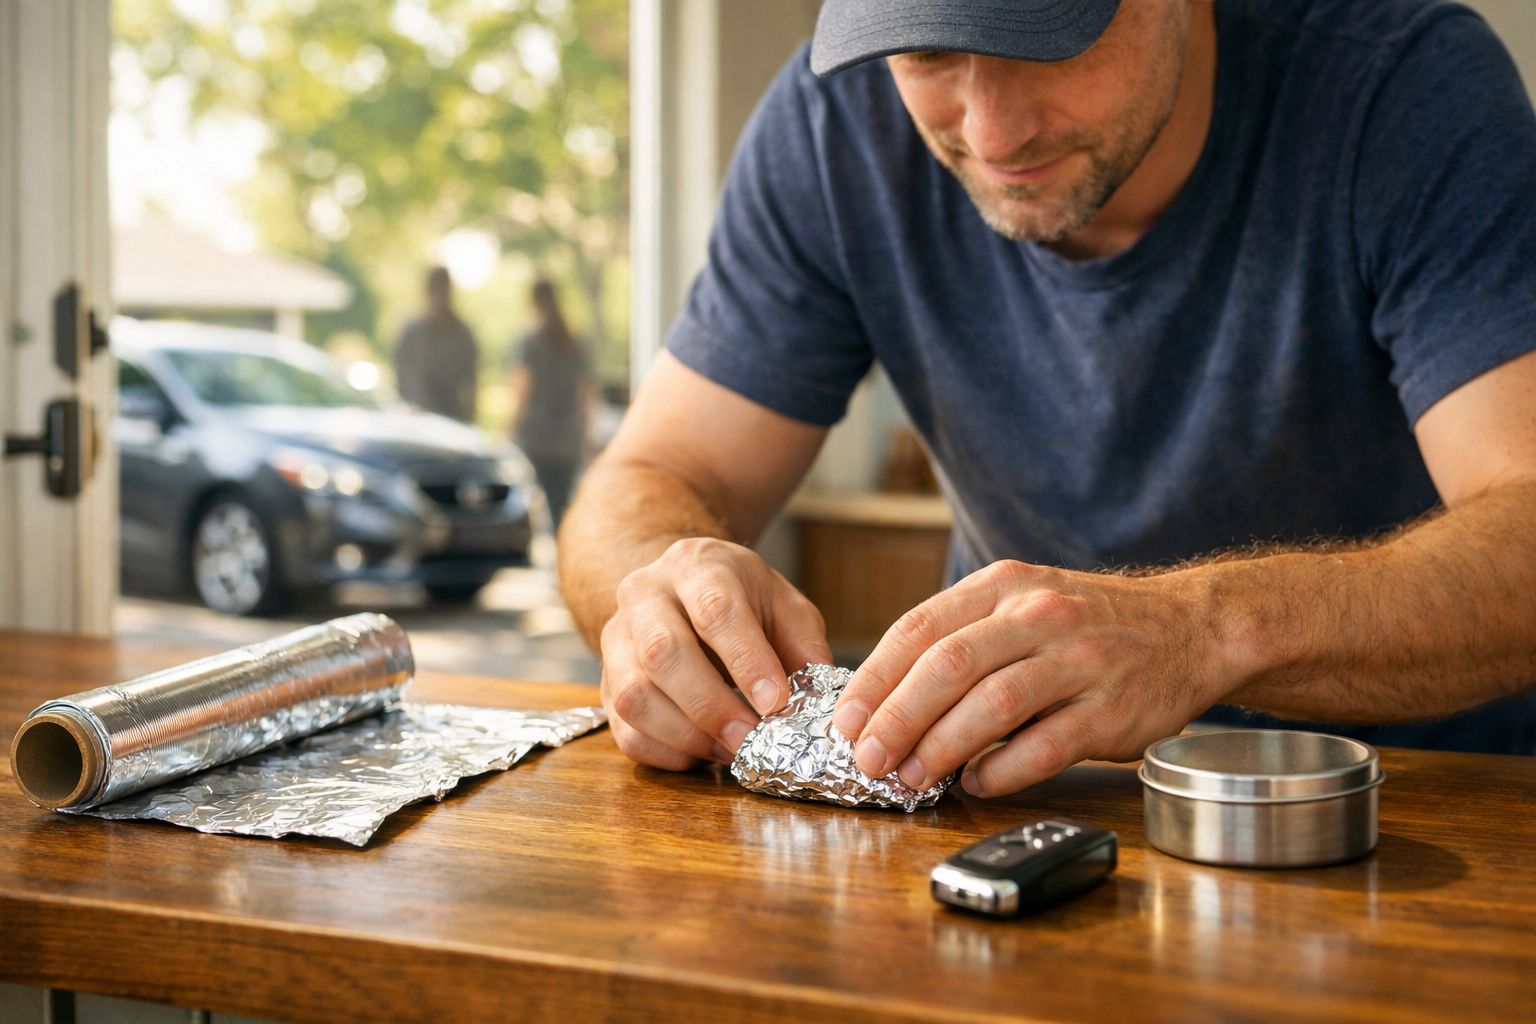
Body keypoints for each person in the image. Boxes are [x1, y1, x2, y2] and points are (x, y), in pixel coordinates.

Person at [558, 0, 1536, 796]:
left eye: (1051, 38)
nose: (993, 131)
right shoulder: (834, 123)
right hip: (1028, 810)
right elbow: (648, 477)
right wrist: (655, 590)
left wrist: (1206, 631)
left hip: (1429, 810)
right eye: (932, 51)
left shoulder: (1400, 86)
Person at [508, 278, 591, 529]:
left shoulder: (530, 342)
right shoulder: (576, 342)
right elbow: (585, 394)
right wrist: (586, 435)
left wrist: (510, 428)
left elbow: (521, 390)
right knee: (561, 506)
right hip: (568, 439)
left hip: (536, 437)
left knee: (532, 504)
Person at [393, 266, 479, 423]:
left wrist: (470, 420)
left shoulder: (462, 334)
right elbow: (401, 378)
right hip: (416, 418)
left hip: (451, 419)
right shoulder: (412, 332)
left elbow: (470, 383)